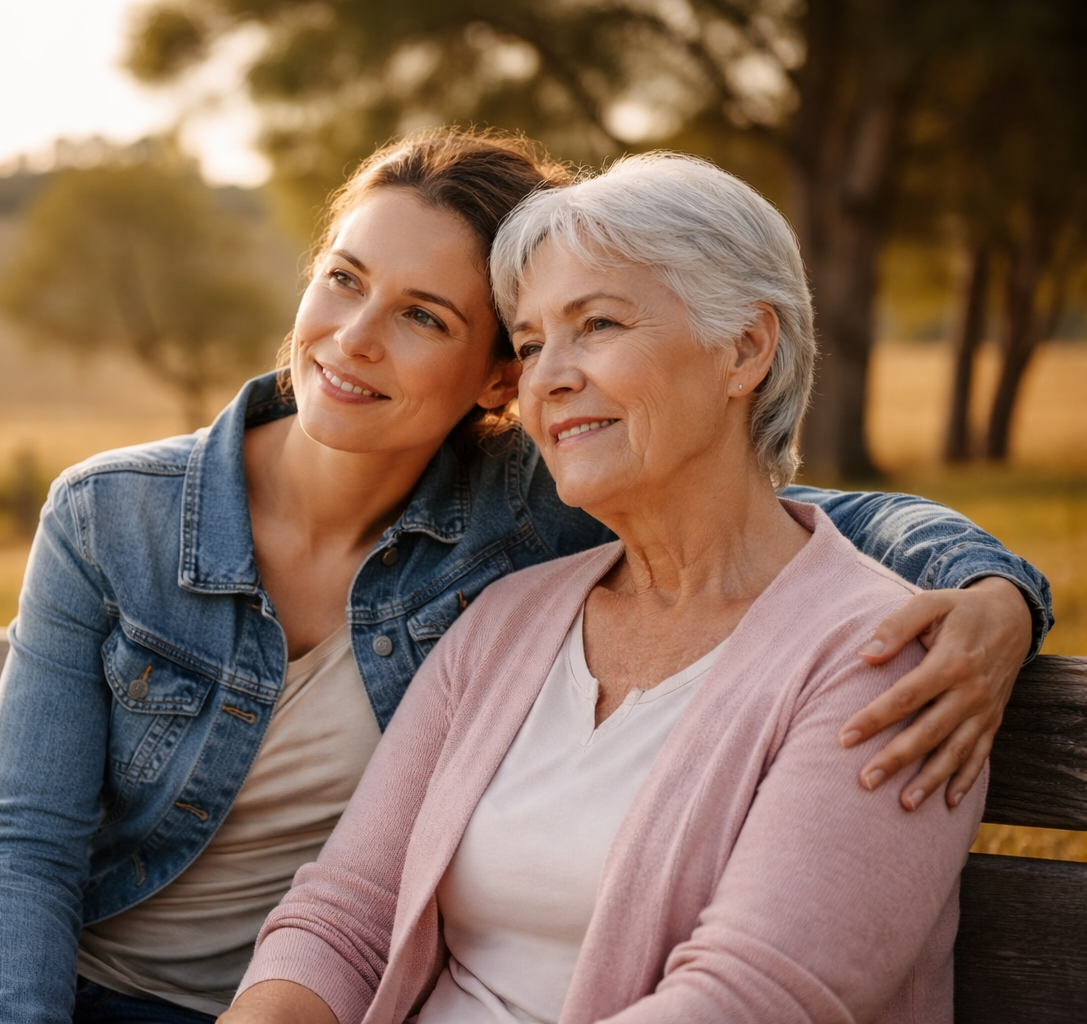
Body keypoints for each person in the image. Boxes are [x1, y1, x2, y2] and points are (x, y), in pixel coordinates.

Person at [0, 133, 1049, 1024]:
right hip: (10, 948)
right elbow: (20, 851)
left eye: (425, 316)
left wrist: (994, 593)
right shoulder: (116, 516)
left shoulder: (522, 525)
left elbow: (783, 507)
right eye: (342, 283)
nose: (353, 341)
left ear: (489, 382)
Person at [228, 153, 1005, 1024]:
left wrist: (1001, 593)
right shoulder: (511, 619)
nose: (547, 377)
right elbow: (344, 918)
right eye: (529, 344)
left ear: (746, 347)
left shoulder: (880, 658)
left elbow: (752, 999)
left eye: (596, 325)